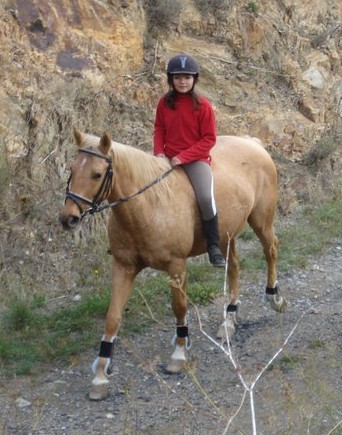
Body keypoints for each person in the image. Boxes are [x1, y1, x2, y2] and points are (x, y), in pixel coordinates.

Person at [153, 54, 226, 268]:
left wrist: (183, 157)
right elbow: (159, 128)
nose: (182, 81)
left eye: (187, 77)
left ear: (194, 79)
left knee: (204, 197)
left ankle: (213, 245)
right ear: (170, 80)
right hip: (167, 158)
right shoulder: (164, 103)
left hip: (195, 160)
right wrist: (159, 153)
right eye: (177, 78)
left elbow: (209, 139)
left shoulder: (203, 105)